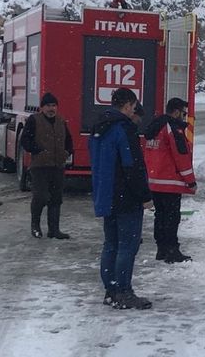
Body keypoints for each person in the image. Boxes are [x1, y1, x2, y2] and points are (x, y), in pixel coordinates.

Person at [89, 88, 153, 309]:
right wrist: (144, 195)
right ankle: (123, 292)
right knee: (127, 245)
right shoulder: (123, 129)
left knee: (111, 244)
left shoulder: (99, 127)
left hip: (106, 195)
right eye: (133, 105)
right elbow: (132, 166)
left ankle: (111, 290)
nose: (134, 109)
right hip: (126, 197)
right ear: (127, 105)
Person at [143, 97, 196, 263]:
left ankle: (161, 249)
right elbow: (181, 156)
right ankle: (172, 251)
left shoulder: (155, 127)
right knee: (172, 218)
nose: (184, 116)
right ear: (176, 111)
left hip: (155, 181)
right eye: (183, 113)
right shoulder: (172, 129)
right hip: (170, 183)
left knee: (160, 216)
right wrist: (190, 180)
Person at [21, 92, 73, 239]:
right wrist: (38, 151)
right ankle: (35, 226)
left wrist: (67, 152)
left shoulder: (61, 121)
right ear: (42, 108)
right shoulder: (34, 120)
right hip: (40, 166)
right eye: (48, 106)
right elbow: (25, 140)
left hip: (57, 166)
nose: (52, 109)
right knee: (41, 197)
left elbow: (69, 140)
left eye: (54, 106)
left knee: (56, 199)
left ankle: (54, 230)